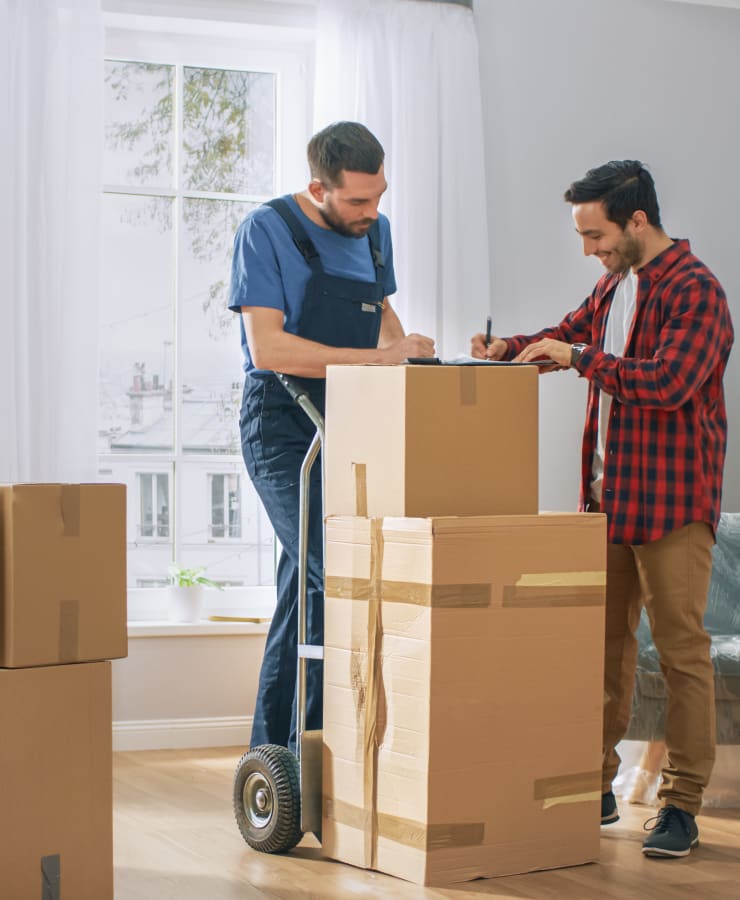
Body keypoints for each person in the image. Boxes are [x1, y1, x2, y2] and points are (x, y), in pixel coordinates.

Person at [471, 160, 734, 858]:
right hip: (608, 503)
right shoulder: (615, 286)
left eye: (596, 234)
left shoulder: (698, 292)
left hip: (674, 505)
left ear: (637, 220)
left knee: (681, 655)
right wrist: (512, 349)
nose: (589, 249)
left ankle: (681, 805)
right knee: (602, 651)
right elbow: (567, 336)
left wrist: (579, 355)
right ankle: (596, 788)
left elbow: (671, 382)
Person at [229, 121, 435, 752]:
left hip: (350, 416)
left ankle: (283, 751)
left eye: (379, 198)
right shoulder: (266, 230)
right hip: (282, 423)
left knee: (307, 581)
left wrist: (414, 357)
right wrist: (382, 360)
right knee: (335, 566)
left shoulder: (378, 231)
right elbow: (269, 347)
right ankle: (322, 742)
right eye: (356, 202)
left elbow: (380, 319)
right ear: (318, 187)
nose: (371, 213)